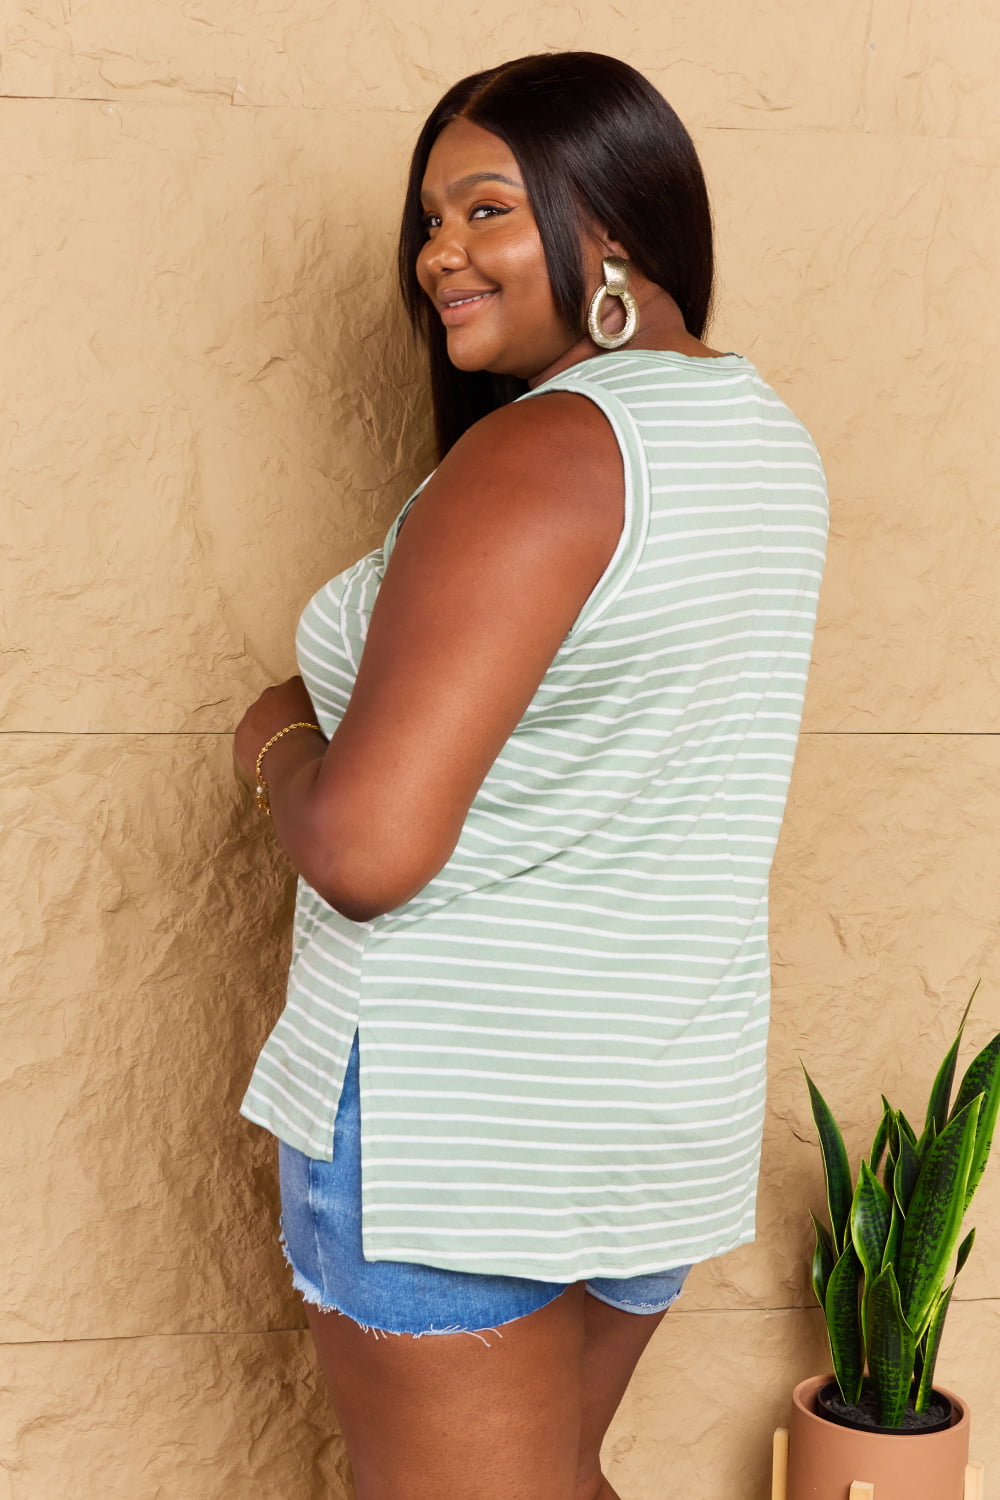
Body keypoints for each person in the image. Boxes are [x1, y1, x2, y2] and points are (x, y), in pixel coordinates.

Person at [233, 51, 828, 1500]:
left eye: (486, 209)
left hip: (462, 1123)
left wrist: (270, 746)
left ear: (613, 222)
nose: (440, 254)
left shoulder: (548, 456)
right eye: (428, 221)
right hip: (647, 1104)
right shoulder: (763, 443)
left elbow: (369, 848)